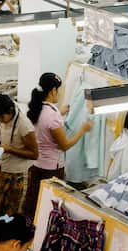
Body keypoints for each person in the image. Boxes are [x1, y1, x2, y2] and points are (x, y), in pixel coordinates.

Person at [22, 73, 93, 218]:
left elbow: (45, 124)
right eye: (58, 90)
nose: (59, 93)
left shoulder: (36, 109)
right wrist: (82, 130)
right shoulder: (52, 115)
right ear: (53, 91)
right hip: (51, 170)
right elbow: (64, 145)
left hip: (36, 165)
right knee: (48, 207)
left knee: (34, 202)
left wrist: (59, 113)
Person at [0, 93, 38, 219]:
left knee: (12, 213)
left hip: (18, 174)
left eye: (0, 117)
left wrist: (11, 150)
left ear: (9, 111)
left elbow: (34, 154)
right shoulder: (1, 117)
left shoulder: (24, 126)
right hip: (2, 169)